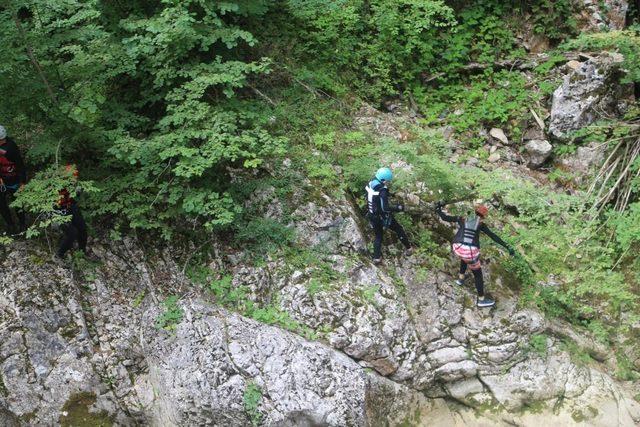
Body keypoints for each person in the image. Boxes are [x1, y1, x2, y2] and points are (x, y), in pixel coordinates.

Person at [436, 201, 514, 308]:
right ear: (483, 216)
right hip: (469, 251)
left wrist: (438, 209)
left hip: (457, 247)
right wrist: (507, 247)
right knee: (477, 273)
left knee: (465, 257)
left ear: (474, 211)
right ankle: (481, 299)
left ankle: (460, 279)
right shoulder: (481, 224)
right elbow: (494, 236)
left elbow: (445, 218)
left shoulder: (463, 218)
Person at [365, 167, 412, 264]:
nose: (388, 183)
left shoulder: (371, 183)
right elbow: (385, 208)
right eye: (387, 181)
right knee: (398, 229)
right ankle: (409, 248)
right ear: (383, 180)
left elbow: (375, 197)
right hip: (382, 217)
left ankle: (376, 257)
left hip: (372, 214)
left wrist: (388, 195)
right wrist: (398, 208)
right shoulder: (382, 190)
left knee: (378, 235)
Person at [55, 164, 89, 260]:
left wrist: (77, 192)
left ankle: (82, 252)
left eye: (75, 177)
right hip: (58, 211)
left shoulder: (73, 184)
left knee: (82, 228)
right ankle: (59, 254)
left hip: (70, 207)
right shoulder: (56, 187)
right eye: (72, 178)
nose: (74, 180)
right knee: (72, 233)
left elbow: (74, 196)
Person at [0, 125, 27, 235]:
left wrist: (22, 182)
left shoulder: (11, 146)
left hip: (14, 179)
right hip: (2, 179)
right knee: (1, 204)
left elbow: (20, 164)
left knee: (17, 203)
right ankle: (10, 224)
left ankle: (22, 224)